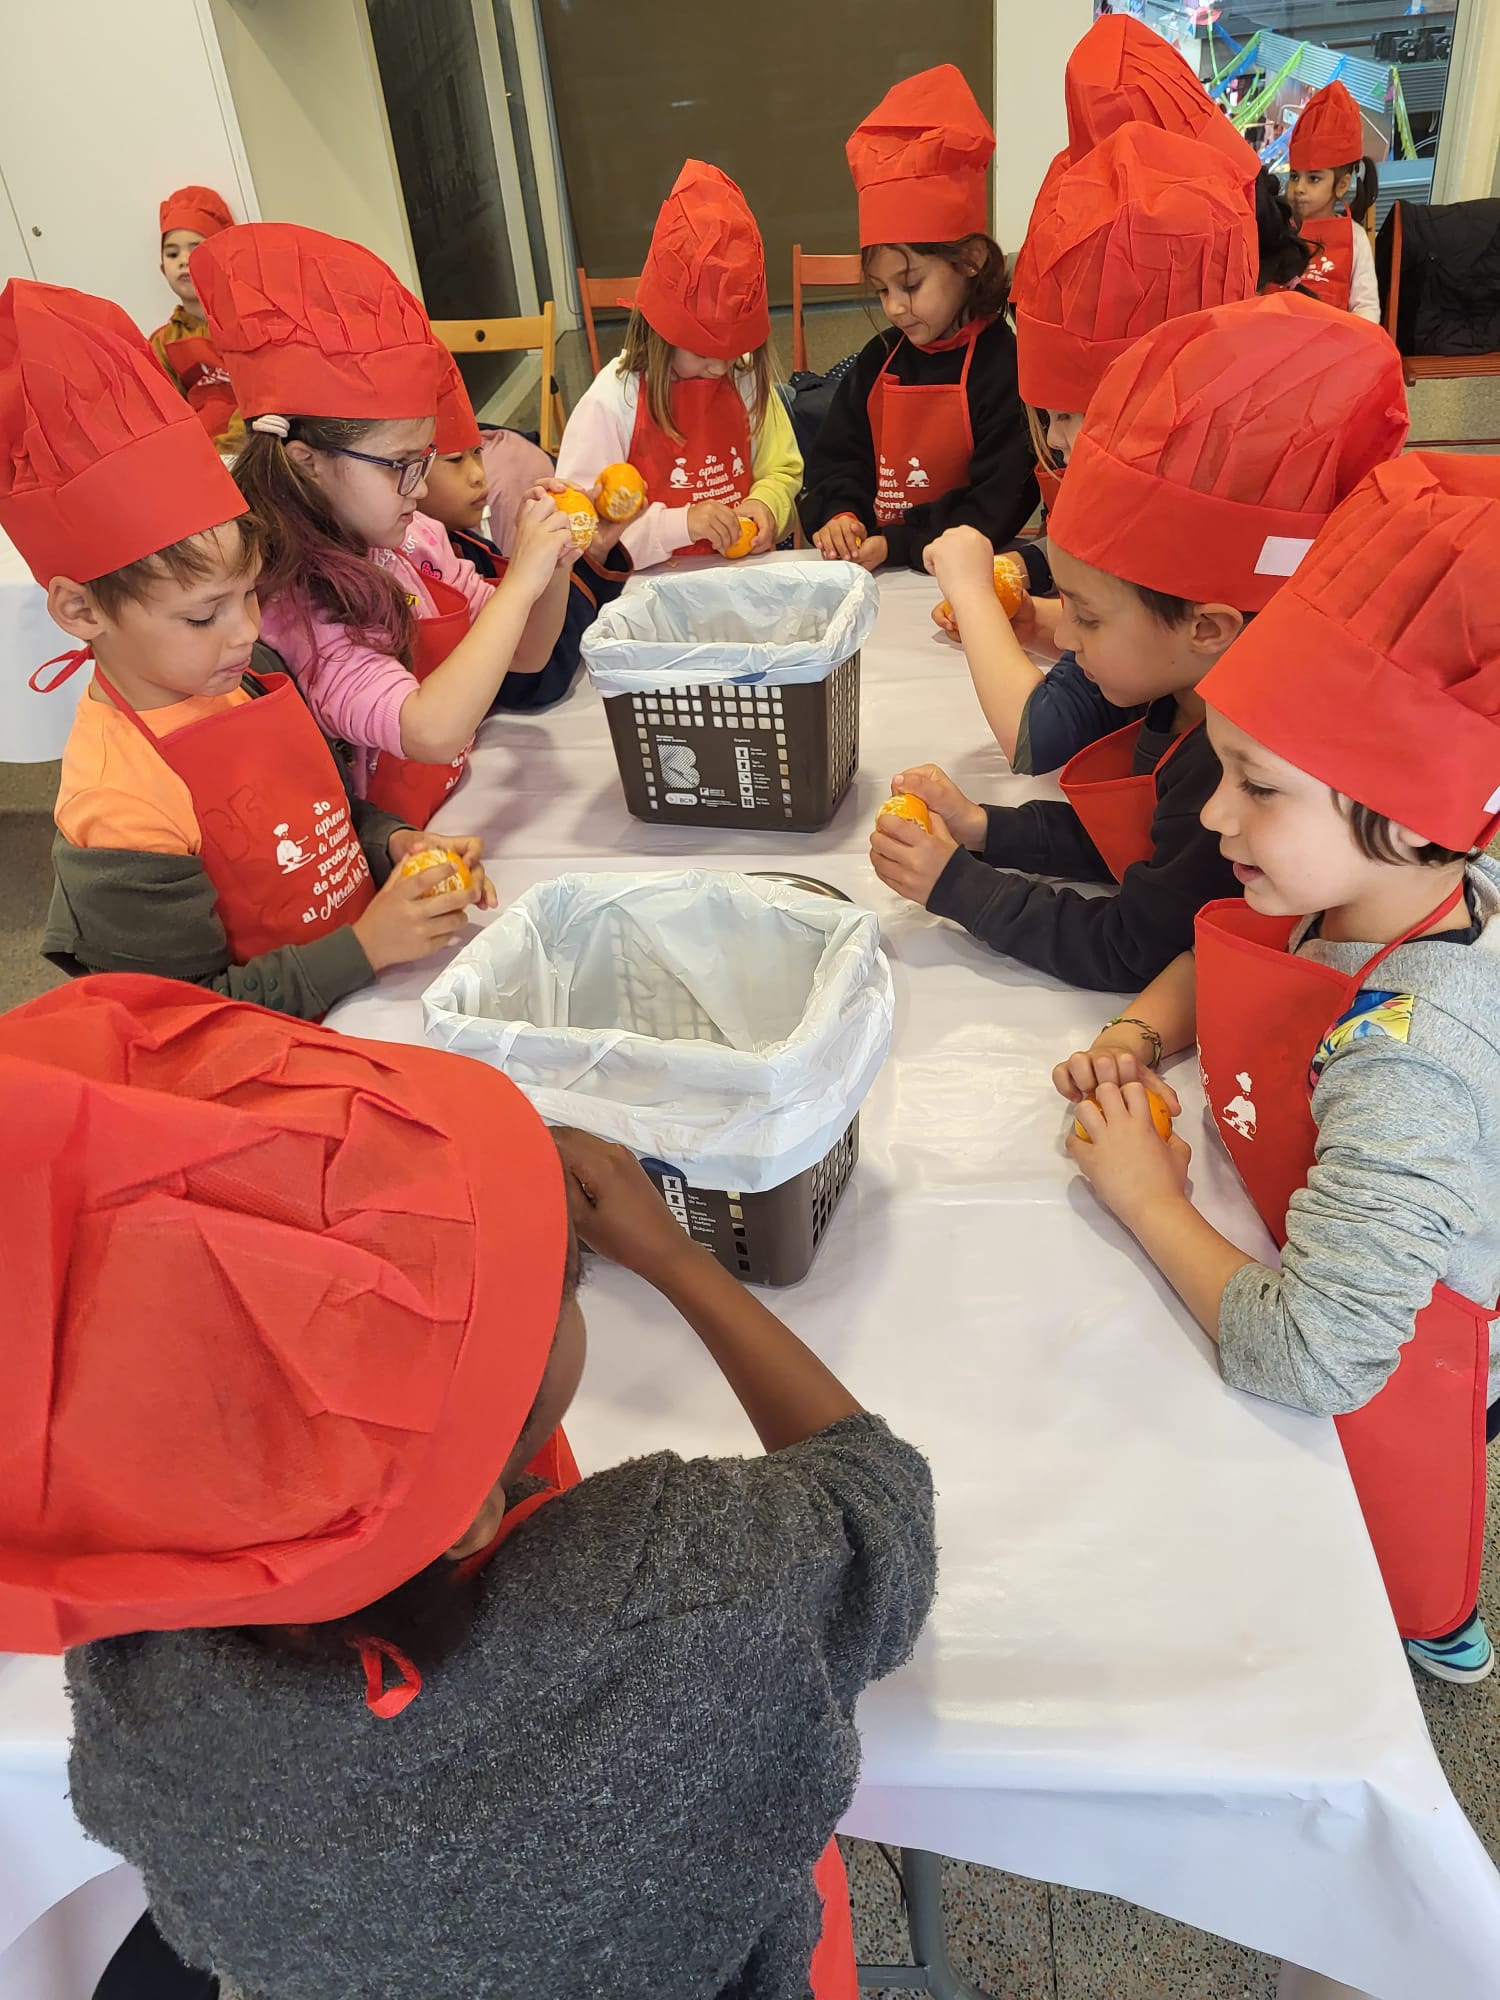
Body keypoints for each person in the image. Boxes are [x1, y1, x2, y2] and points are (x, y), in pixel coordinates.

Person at [1, 974, 936, 1999]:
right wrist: (674, 1257)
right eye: (564, 1283)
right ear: (466, 1518)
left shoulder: (143, 1695)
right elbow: (878, 1503)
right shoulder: (685, 1598)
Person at [1051, 452, 1500, 1685]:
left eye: (1257, 786)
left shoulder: (1415, 1065)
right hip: (1295, 1224)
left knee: (1382, 1546)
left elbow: (1319, 1353)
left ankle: (1427, 1614)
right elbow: (1235, 957)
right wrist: (1135, 1036)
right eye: (1222, 768)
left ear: (1411, 812)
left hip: (1394, 1369)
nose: (1214, 816)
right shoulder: (1363, 882)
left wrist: (1147, 1197)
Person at [869, 293, 1409, 992]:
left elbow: (1131, 947)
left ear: (1207, 628)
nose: (1063, 636)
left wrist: (959, 886)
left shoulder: (1231, 770)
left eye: (1088, 618)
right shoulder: (1181, 688)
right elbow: (1142, 846)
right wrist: (986, 828)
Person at [0, 279, 489, 1022]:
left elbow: (327, 813)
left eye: (250, 594)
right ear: (80, 610)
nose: (246, 632)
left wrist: (393, 842)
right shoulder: (119, 806)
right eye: (203, 616)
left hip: (364, 997)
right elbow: (183, 1017)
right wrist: (364, 948)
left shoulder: (251, 674)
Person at [194, 221, 577, 828]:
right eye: (400, 465)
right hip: (390, 846)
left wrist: (553, 566)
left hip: (455, 806)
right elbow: (430, 731)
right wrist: (522, 581)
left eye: (424, 461)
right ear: (307, 462)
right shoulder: (296, 603)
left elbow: (527, 655)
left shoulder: (414, 539)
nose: (420, 488)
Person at [954, 122, 1258, 775]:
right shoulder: (1204, 474)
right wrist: (1045, 620)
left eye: (1069, 416)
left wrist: (970, 587)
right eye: (1047, 416)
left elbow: (1043, 735)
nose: (1055, 440)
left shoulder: (1169, 530)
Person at [798, 65, 1037, 573]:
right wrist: (841, 513)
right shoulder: (879, 359)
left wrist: (898, 543)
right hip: (876, 570)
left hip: (963, 576)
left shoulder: (1005, 367)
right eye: (881, 290)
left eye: (910, 285)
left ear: (970, 260)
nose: (894, 307)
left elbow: (999, 501)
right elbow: (838, 457)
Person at [556, 160, 801, 568]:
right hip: (645, 587)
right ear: (660, 334)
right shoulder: (612, 401)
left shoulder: (744, 379)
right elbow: (582, 529)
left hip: (741, 577)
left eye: (731, 354)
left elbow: (783, 470)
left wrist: (767, 505)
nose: (719, 370)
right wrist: (681, 524)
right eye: (702, 354)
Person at [424, 355, 631, 711]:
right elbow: (530, 682)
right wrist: (542, 565)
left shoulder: (470, 548)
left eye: (478, 453)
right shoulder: (425, 570)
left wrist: (586, 554)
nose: (478, 474)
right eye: (455, 460)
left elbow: (547, 652)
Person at [149, 186, 246, 457]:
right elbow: (164, 413)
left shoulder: (247, 328)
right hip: (199, 458)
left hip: (251, 453)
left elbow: (259, 397)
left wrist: (228, 451)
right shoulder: (163, 342)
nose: (184, 261)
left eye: (197, 249)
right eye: (172, 254)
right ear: (163, 269)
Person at [1284, 79, 1381, 322]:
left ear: (1342, 185)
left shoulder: (1355, 237)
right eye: (1294, 177)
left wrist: (1348, 338)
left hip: (1333, 339)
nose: (1299, 188)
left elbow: (1367, 308)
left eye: (1314, 179)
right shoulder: (1277, 228)